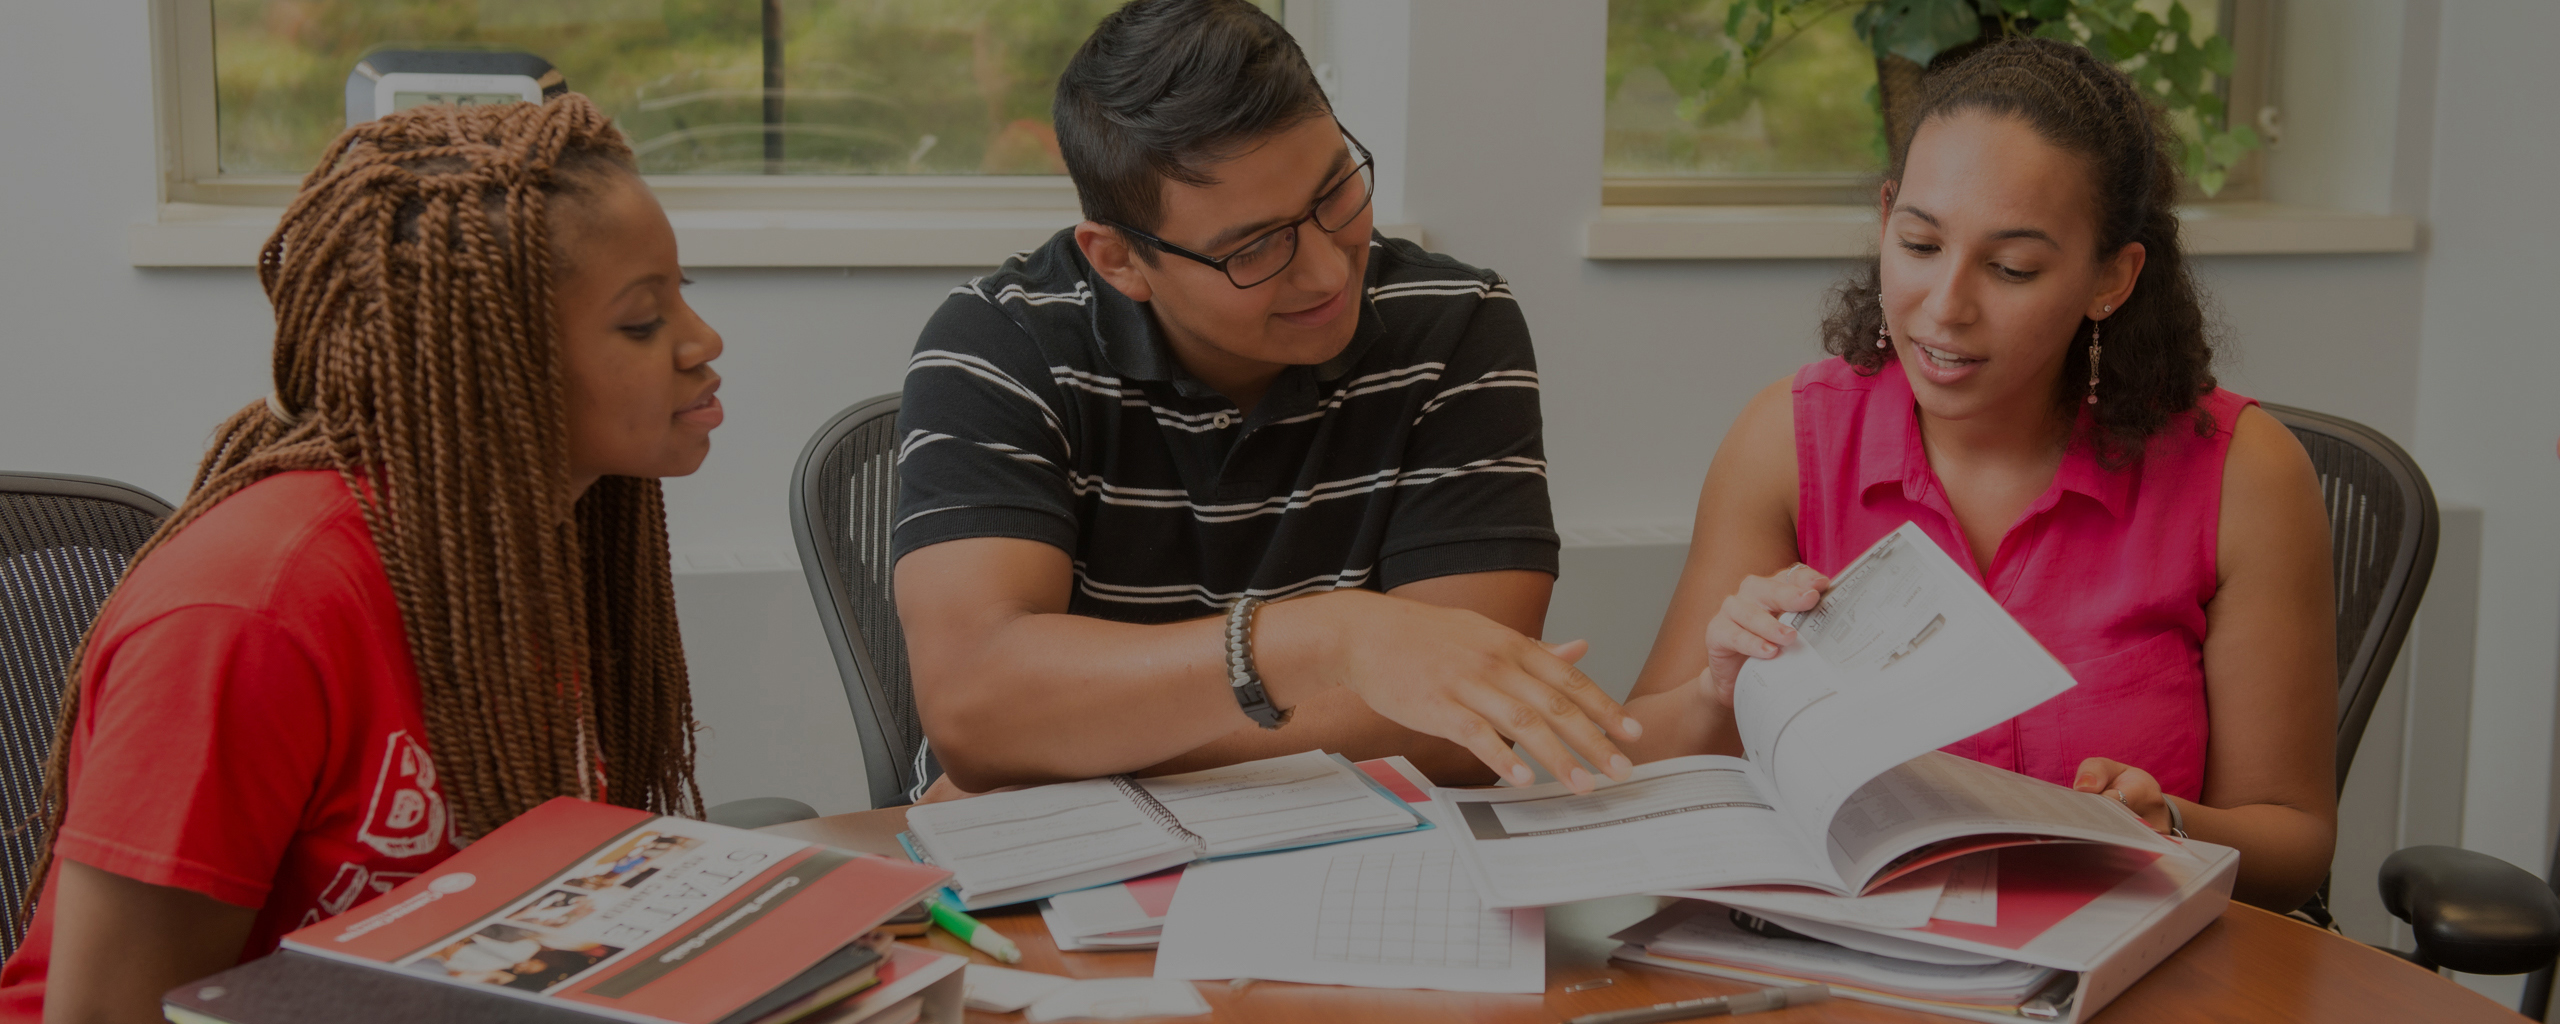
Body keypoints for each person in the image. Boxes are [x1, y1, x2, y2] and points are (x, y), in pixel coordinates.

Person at [0, 95, 723, 1021]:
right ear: (491, 361)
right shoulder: (245, 616)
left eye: (684, 295)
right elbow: (108, 1013)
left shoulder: (510, 546)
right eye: (641, 322)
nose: (703, 345)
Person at [1617, 38, 2337, 911]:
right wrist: (1714, 691)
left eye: (2011, 268)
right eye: (1919, 244)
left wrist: (2168, 824)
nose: (1946, 306)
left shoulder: (2242, 475)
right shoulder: (1789, 439)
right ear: (1886, 219)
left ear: (2112, 278)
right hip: (1854, 956)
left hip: (2119, 954)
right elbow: (1635, 767)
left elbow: (2294, 840)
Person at [893, 0, 1638, 799]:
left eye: (1336, 195)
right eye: (1253, 247)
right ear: (1120, 260)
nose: (1325, 273)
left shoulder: (1454, 326)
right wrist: (1330, 638)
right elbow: (979, 711)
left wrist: (1063, 742)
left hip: (1359, 851)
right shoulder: (1000, 343)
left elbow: (1470, 724)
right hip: (1067, 872)